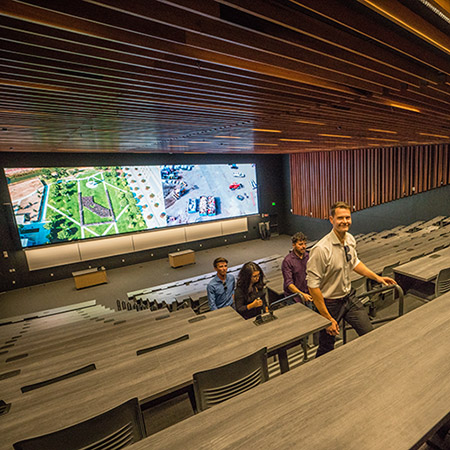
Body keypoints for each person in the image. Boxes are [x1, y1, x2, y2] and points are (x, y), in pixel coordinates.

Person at [307, 201, 396, 358]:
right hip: (330, 303)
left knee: (369, 333)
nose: (345, 221)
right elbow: (313, 287)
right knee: (326, 346)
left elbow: (355, 263)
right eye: (340, 218)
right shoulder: (321, 249)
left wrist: (377, 278)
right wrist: (327, 318)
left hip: (349, 298)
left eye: (347, 217)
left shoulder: (350, 239)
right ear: (331, 219)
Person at [281, 232, 313, 306]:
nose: (304, 246)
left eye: (305, 244)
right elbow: (289, 284)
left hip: (307, 294)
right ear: (293, 245)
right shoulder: (288, 261)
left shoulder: (308, 257)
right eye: (300, 244)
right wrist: (302, 295)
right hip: (293, 297)